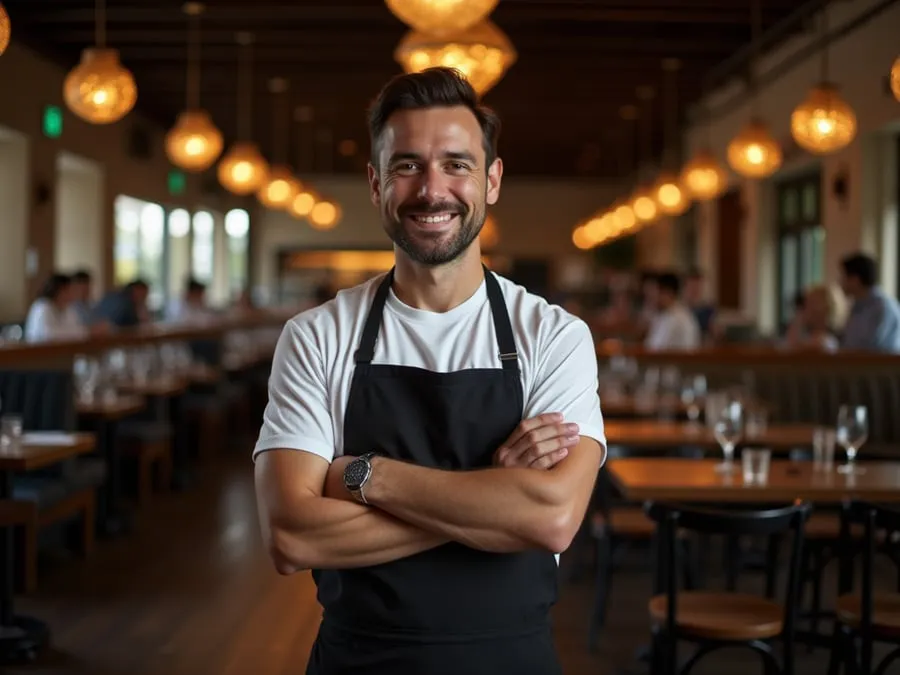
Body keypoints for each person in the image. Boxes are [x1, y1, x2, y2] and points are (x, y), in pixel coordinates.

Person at [252, 67, 606, 675]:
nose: (431, 189)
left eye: (456, 164)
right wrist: (495, 495)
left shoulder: (554, 336)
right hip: (357, 661)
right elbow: (291, 536)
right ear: (376, 183)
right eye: (408, 165)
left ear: (492, 180)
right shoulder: (316, 336)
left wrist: (364, 475)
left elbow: (551, 519)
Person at [839, 252, 900, 352]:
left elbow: (870, 348)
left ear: (855, 279)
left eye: (843, 277)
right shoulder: (857, 307)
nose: (840, 282)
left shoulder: (882, 307)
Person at [644, 271, 701, 351]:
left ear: (668, 293)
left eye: (656, 292)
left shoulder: (681, 318)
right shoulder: (663, 315)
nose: (653, 297)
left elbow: (657, 349)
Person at [23, 273, 86, 342]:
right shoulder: (42, 307)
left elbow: (78, 331)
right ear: (58, 291)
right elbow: (50, 335)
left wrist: (82, 332)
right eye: (68, 291)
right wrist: (82, 331)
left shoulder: (68, 308)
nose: (72, 295)